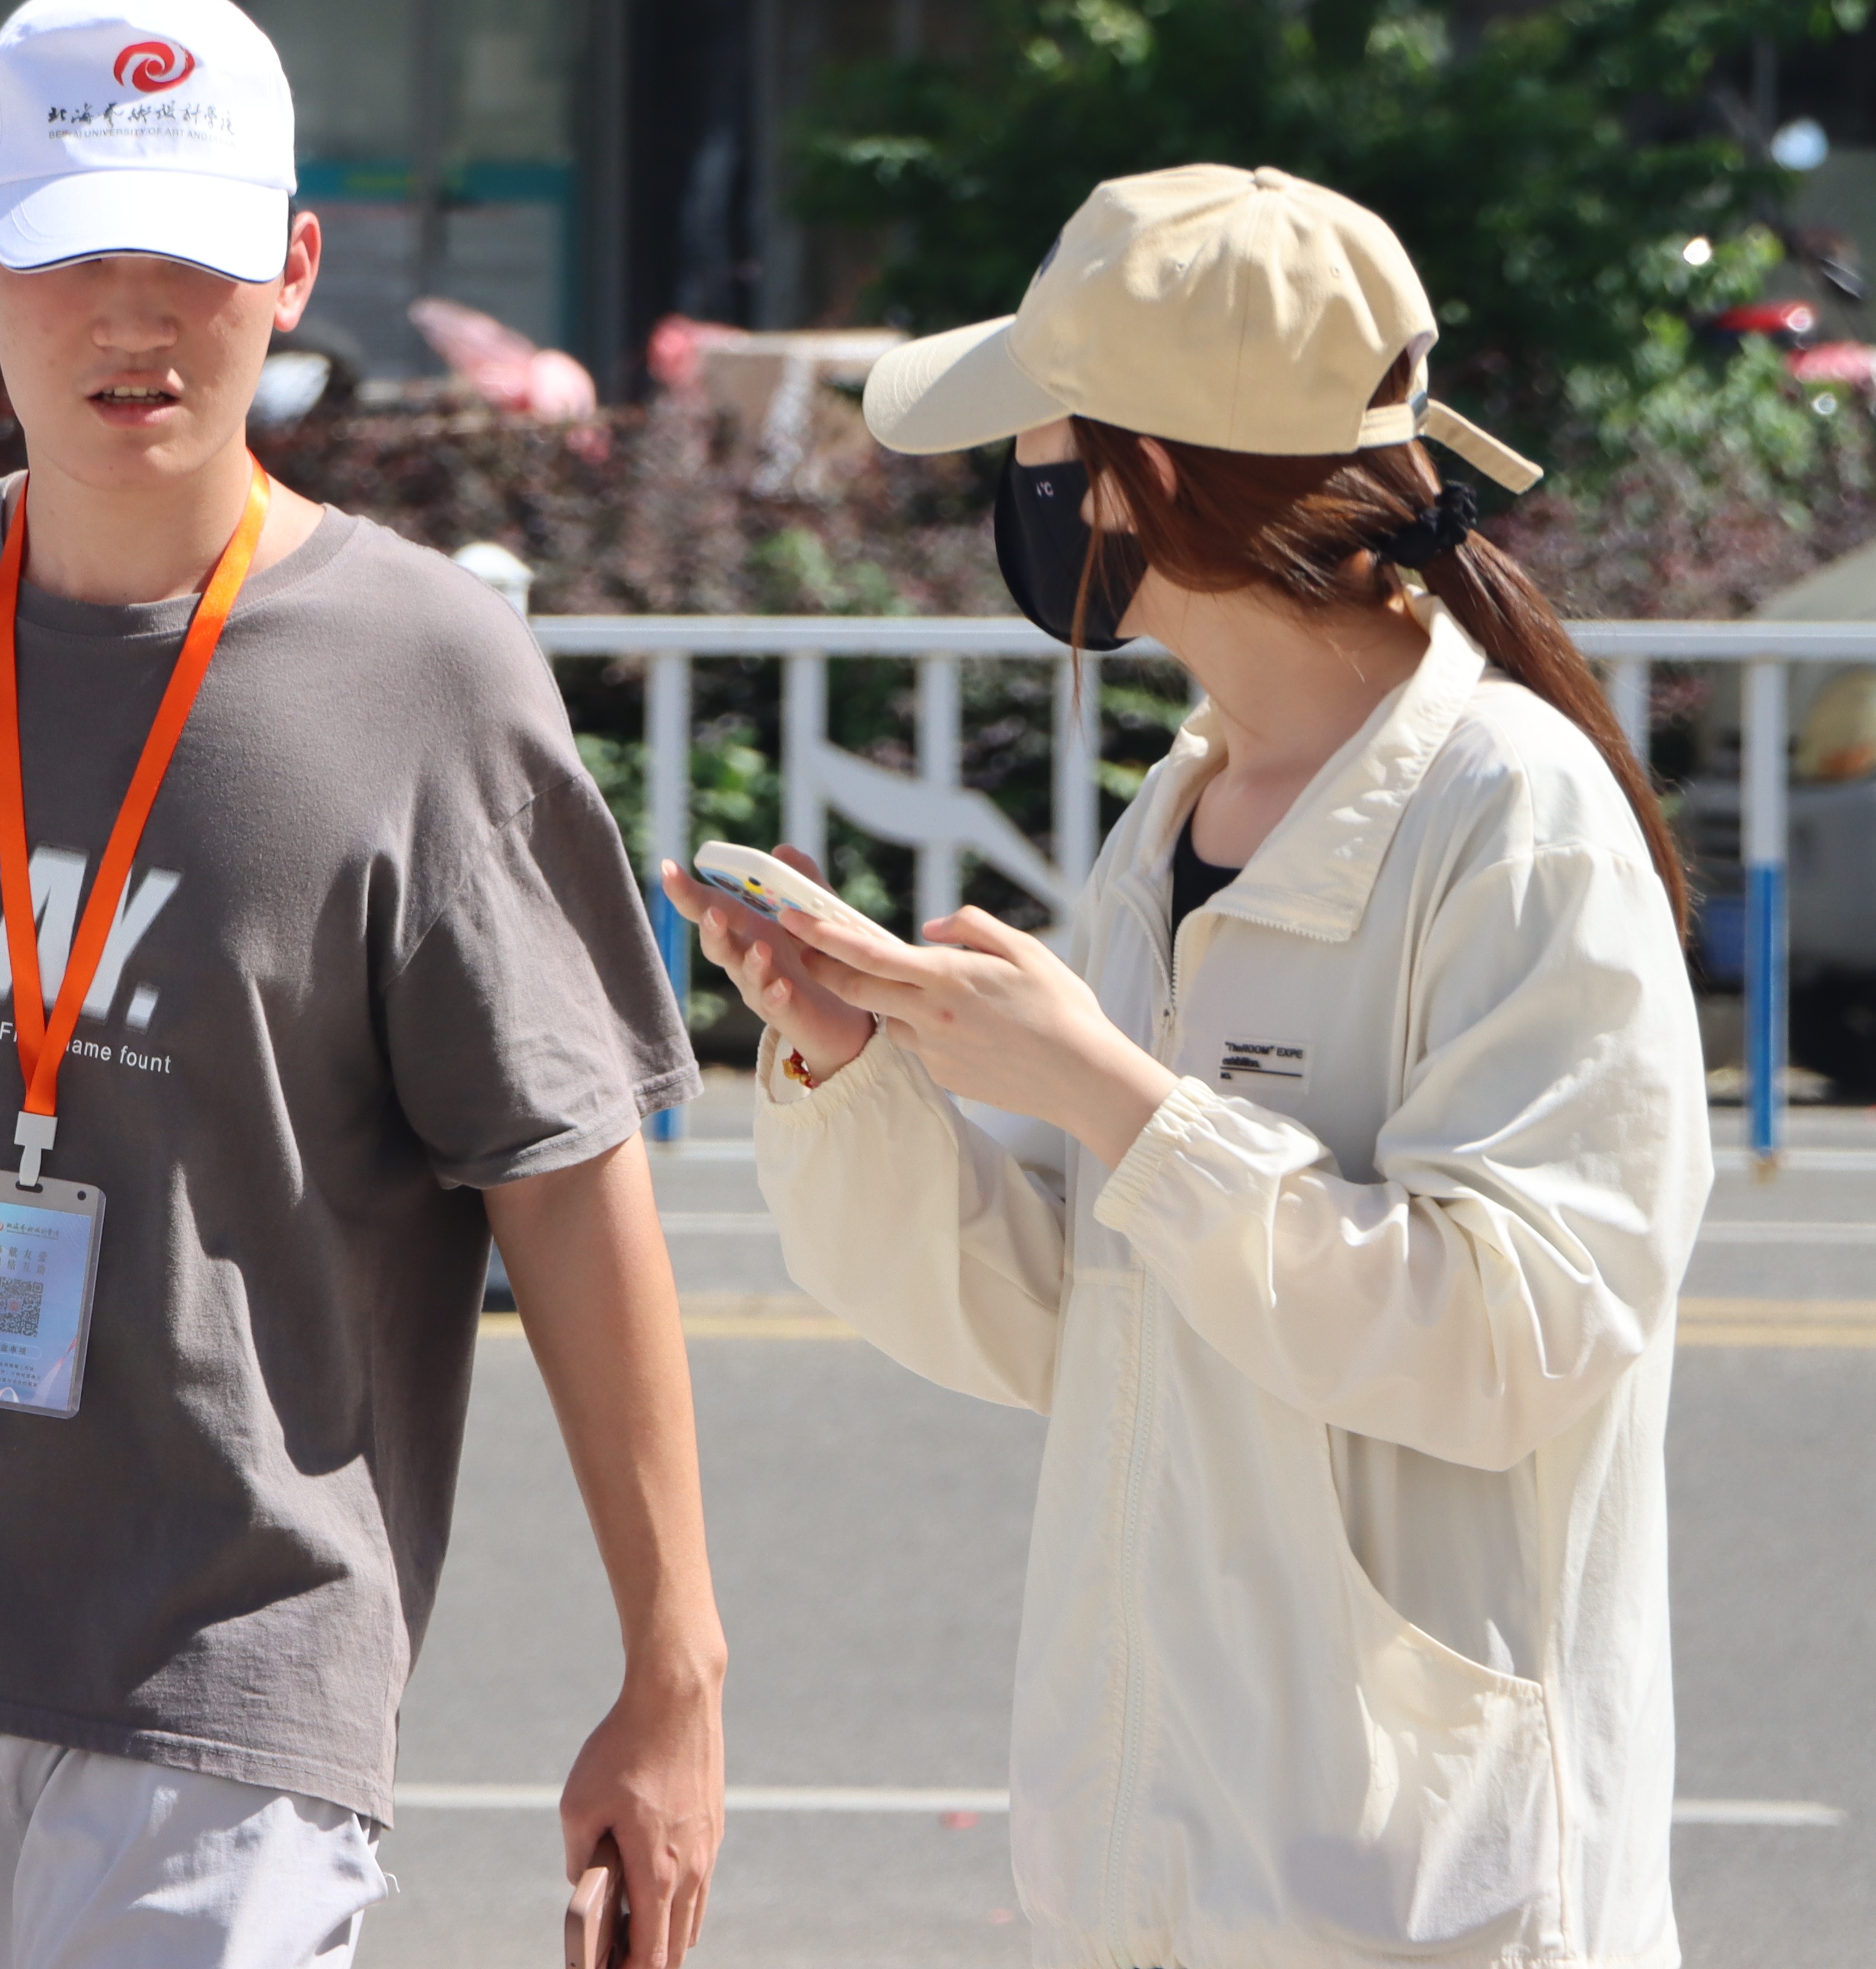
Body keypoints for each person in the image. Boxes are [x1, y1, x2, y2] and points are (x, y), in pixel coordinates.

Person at [0, 0, 728, 1968]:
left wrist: (673, 1676)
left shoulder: (426, 677)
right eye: (77, 255)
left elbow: (572, 1189)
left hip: (231, 1674)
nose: (135, 319)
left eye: (195, 258)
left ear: (296, 269)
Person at [661, 166, 1704, 1969]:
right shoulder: (1183, 812)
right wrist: (853, 1065)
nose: (1019, 490)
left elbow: (1515, 1336)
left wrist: (1109, 1094)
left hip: (1414, 1899)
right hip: (1157, 1866)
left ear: (1134, 473)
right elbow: (1075, 1325)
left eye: (1036, 439)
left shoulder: (1513, 813)